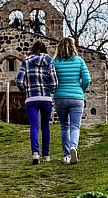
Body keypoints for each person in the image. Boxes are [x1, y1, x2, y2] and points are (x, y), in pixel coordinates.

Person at [16, 41, 58, 165]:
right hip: (46, 98)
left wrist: (25, 91)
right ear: (44, 50)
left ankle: (35, 153)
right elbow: (54, 83)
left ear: (33, 49)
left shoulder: (26, 62)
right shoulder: (49, 62)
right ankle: (46, 155)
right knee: (45, 127)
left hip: (31, 99)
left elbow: (19, 81)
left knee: (34, 127)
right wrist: (50, 90)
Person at [53, 37, 91, 165]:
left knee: (64, 127)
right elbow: (87, 79)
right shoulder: (79, 61)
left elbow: (52, 80)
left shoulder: (55, 62)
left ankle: (66, 156)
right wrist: (81, 90)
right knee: (75, 126)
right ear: (73, 47)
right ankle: (73, 147)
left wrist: (55, 90)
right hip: (77, 97)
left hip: (60, 97)